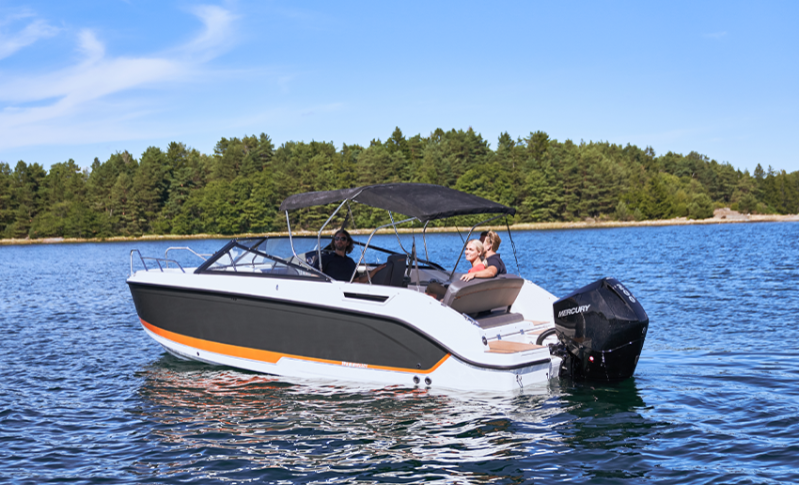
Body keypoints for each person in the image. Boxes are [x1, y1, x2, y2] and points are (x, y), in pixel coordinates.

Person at [320, 229, 385, 282]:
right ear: (334, 242)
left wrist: (376, 270)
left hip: (345, 292)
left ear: (348, 243)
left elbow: (358, 280)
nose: (339, 240)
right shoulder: (324, 258)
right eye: (337, 238)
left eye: (343, 238)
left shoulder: (350, 262)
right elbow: (315, 277)